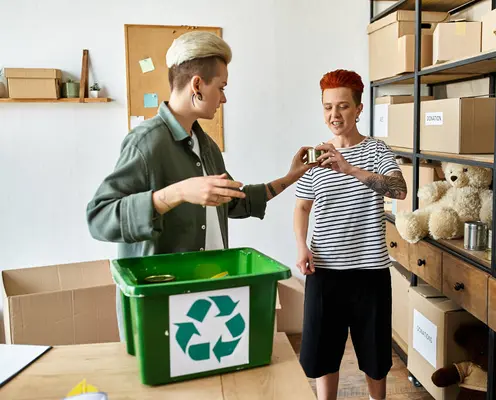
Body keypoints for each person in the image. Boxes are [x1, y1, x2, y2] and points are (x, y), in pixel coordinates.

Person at [86, 31, 311, 338]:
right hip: (162, 310)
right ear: (197, 85)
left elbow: (236, 201)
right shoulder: (146, 143)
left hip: (209, 300)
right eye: (221, 87)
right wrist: (176, 193)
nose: (224, 98)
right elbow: (99, 217)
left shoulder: (206, 146)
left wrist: (290, 177)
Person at [293, 69, 408, 400]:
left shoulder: (376, 151)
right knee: (322, 354)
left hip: (368, 274)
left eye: (343, 106)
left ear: (358, 109)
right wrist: (302, 246)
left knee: (374, 358)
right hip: (324, 273)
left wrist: (349, 169)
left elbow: (399, 190)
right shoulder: (315, 157)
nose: (334, 115)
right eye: (328, 107)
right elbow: (302, 208)